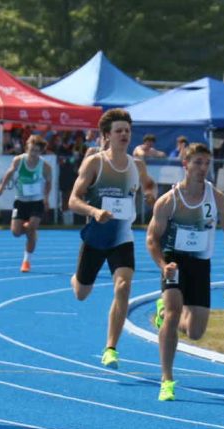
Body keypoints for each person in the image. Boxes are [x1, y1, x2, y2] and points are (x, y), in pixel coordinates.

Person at [147, 143, 224, 401]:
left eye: (206, 163)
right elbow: (152, 239)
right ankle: (167, 379)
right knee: (175, 312)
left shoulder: (217, 197)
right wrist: (163, 265)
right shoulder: (169, 201)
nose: (202, 168)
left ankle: (162, 312)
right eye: (197, 162)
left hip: (201, 264)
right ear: (185, 165)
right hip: (174, 262)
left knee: (196, 332)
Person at [68, 108, 156, 369]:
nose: (124, 135)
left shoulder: (137, 165)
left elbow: (149, 184)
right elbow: (72, 200)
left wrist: (152, 195)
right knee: (82, 293)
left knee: (123, 286)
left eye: (127, 131)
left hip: (122, 236)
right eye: (119, 130)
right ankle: (76, 277)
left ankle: (110, 348)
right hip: (96, 236)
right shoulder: (95, 163)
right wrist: (95, 211)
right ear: (106, 135)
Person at [0, 135, 53, 272]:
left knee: (32, 228)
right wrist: (1, 188)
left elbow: (49, 182)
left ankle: (26, 261)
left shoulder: (45, 166)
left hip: (36, 201)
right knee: (16, 232)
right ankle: (30, 230)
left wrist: (46, 198)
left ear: (40, 152)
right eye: (31, 150)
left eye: (36, 151)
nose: (33, 154)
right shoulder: (19, 160)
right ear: (27, 148)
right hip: (21, 201)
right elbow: (9, 173)